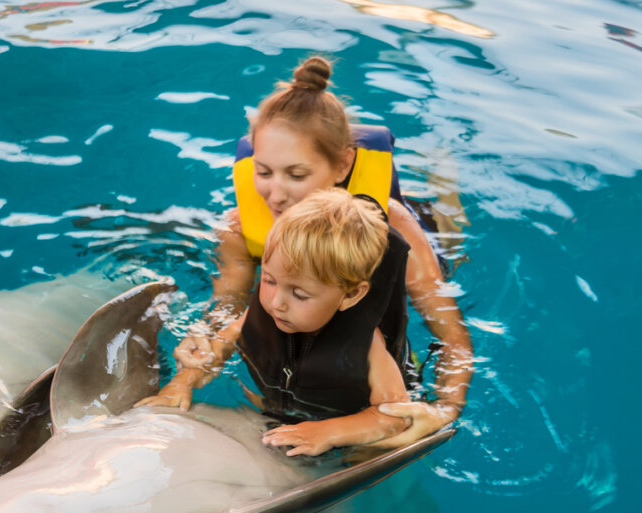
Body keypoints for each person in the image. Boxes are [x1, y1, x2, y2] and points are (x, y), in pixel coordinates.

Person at [175, 55, 473, 448]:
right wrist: (203, 336)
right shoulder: (239, 227)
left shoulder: (391, 226)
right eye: (263, 172)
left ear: (342, 164)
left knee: (452, 237)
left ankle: (444, 179)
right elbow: (228, 304)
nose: (275, 196)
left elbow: (452, 336)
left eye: (296, 175)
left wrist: (444, 408)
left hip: (409, 230)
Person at [139, 189, 409, 456]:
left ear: (350, 295)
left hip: (334, 425)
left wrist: (329, 432)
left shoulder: (369, 345)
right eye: (269, 280)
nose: (276, 302)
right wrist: (183, 382)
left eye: (299, 294)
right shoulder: (267, 309)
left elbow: (396, 417)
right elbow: (221, 344)